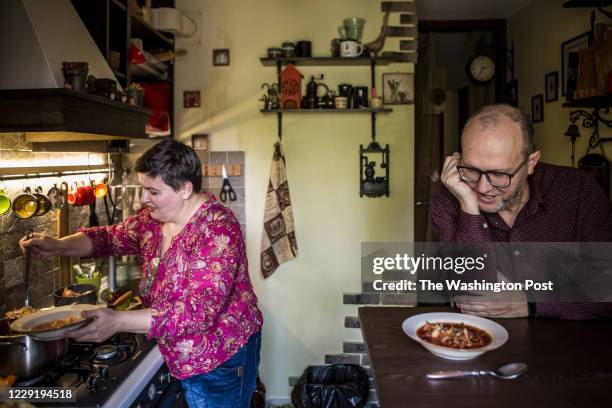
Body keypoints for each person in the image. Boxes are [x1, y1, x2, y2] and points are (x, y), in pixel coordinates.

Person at [20, 139, 263, 408]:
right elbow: (109, 238)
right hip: (175, 351)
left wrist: (119, 321)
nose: (143, 199)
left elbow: (196, 312)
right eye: (143, 189)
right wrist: (59, 245)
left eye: (153, 192)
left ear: (185, 188)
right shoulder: (153, 221)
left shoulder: (217, 230)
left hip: (219, 359)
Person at [431, 104, 612, 319]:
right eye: (471, 169)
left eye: (499, 174)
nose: (482, 188)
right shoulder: (451, 194)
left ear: (530, 163)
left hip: (571, 345)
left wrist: (530, 302)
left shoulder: (577, 191)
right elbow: (471, 288)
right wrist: (469, 208)